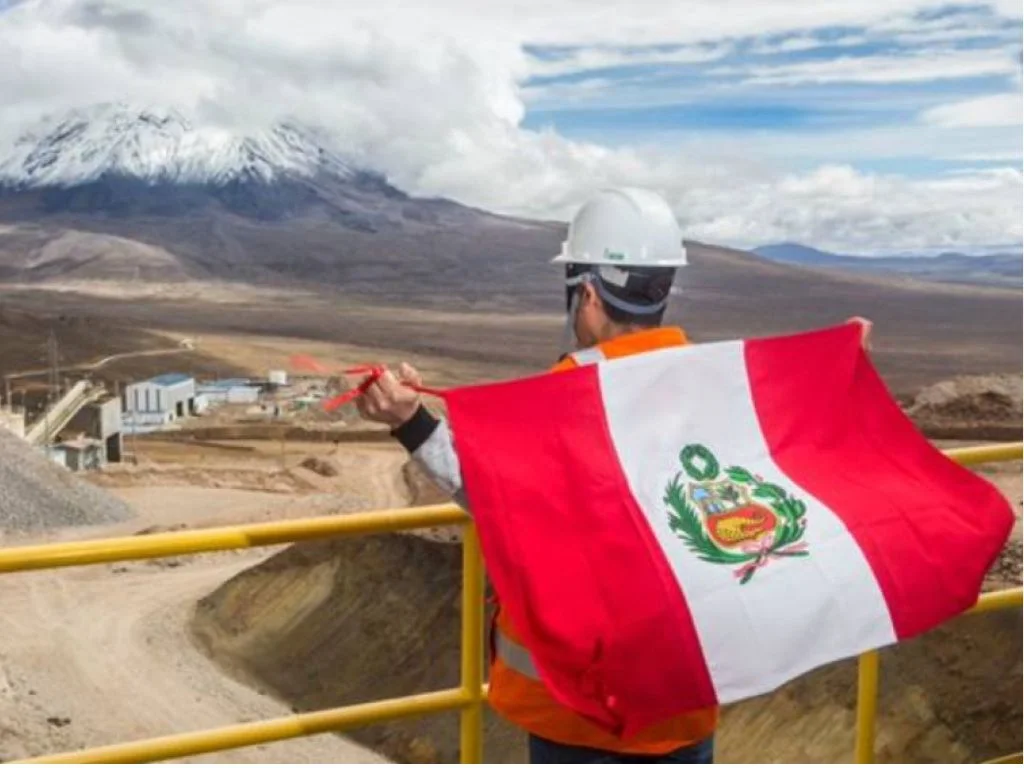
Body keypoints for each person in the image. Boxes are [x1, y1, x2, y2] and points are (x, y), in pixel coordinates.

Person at [356, 188, 872, 764]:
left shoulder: (569, 398)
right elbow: (788, 461)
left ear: (589, 293)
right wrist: (836, 371)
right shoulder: (719, 384)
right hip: (685, 697)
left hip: (581, 715)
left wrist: (410, 421)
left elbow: (497, 498)